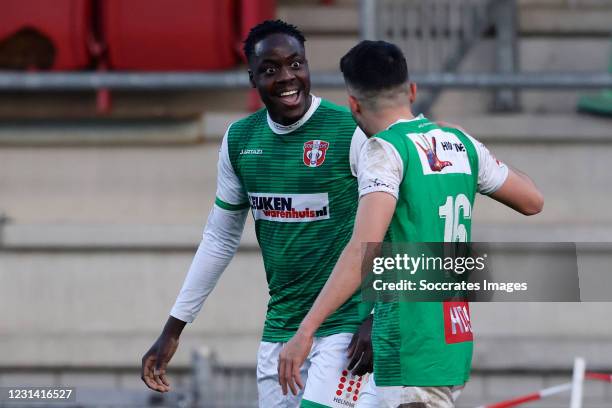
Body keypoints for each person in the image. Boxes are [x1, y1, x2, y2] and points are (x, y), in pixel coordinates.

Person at [278, 40, 544, 408]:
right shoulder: (459, 143)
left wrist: (305, 330)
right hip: (451, 339)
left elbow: (361, 251)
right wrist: (470, 143)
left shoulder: (384, 150)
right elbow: (533, 199)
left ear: (353, 104)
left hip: (410, 343)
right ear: (413, 91)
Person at [141, 20, 376, 408]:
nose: (288, 78)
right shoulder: (240, 140)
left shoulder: (348, 131)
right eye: (271, 69)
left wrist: (378, 315)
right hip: (281, 331)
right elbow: (219, 239)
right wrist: (173, 329)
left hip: (345, 329)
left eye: (296, 64)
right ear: (252, 78)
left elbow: (390, 224)